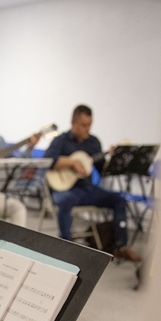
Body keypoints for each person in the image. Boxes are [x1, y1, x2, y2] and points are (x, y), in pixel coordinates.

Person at [45, 104, 141, 262]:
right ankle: (67, 247)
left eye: (89, 125)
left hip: (89, 190)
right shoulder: (61, 141)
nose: (87, 129)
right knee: (65, 200)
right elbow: (48, 161)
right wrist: (71, 163)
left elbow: (102, 169)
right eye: (83, 125)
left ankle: (121, 246)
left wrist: (114, 159)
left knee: (119, 200)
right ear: (73, 123)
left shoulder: (94, 142)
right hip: (66, 190)